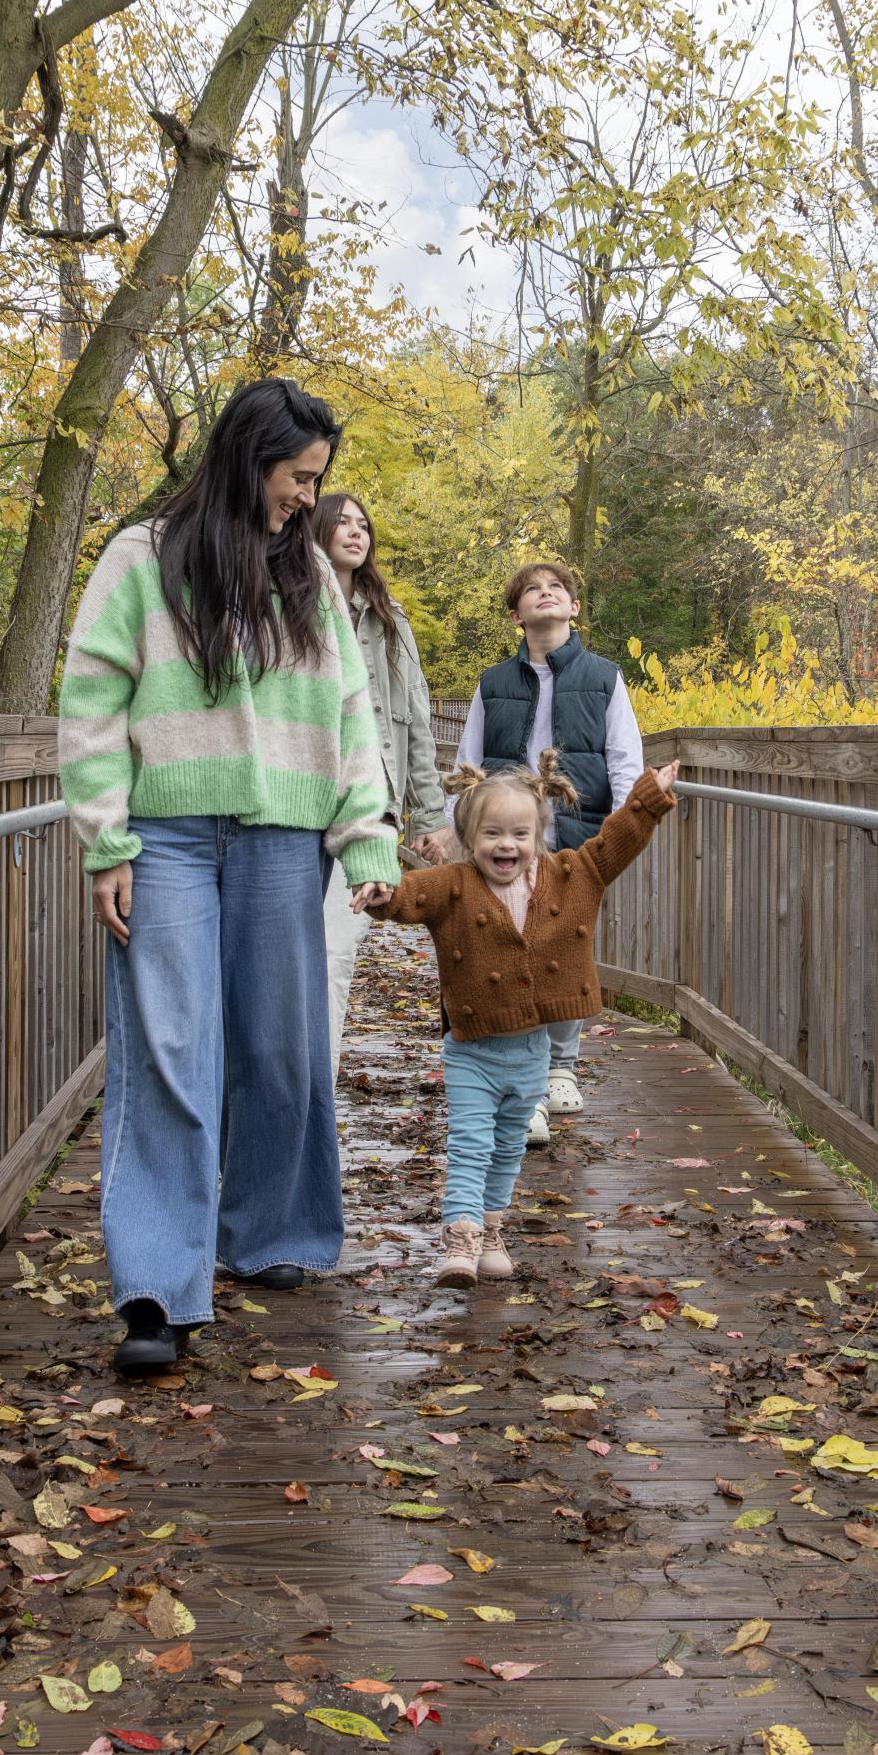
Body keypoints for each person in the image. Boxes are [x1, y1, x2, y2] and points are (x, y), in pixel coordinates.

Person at [58, 378, 400, 1376]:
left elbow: (351, 711)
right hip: (164, 836)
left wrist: (367, 836)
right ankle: (159, 1289)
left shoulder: (312, 581)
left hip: (285, 836)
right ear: (252, 459)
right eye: (298, 478)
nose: (307, 498)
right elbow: (88, 701)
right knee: (170, 1045)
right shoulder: (142, 557)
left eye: (317, 482)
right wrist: (106, 840)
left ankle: (276, 1231)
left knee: (284, 1042)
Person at [370, 750, 678, 1285]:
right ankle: (459, 1242)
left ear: (538, 835)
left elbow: (615, 843)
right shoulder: (454, 884)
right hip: (473, 1052)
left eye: (519, 833)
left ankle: (491, 1230)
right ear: (468, 839)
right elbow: (407, 897)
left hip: (533, 1054)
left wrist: (647, 799)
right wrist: (379, 892)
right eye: (491, 834)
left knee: (510, 1148)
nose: (505, 845)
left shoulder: (570, 875)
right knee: (470, 1144)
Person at [442, 561, 644, 1146]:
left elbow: (625, 759)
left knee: (563, 944)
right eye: (532, 590)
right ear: (517, 614)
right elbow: (467, 762)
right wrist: (456, 830)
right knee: (506, 943)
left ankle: (560, 1066)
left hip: (575, 829)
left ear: (574, 608)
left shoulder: (605, 678)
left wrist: (624, 827)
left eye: (557, 588)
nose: (546, 594)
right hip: (506, 834)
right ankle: (526, 1086)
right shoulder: (493, 682)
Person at [312, 490, 446, 1072]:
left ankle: (319, 1080)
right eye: (341, 521)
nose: (355, 531)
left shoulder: (392, 624)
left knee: (335, 951)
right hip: (294, 802)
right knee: (288, 954)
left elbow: (416, 719)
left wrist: (431, 816)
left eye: (363, 524)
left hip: (368, 808)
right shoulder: (290, 607)